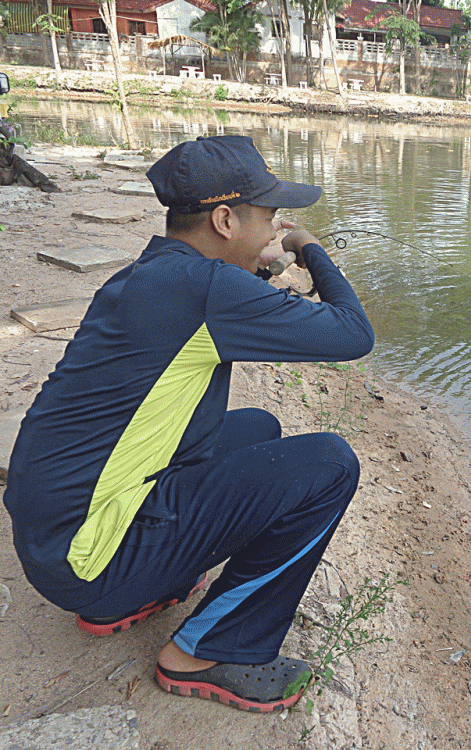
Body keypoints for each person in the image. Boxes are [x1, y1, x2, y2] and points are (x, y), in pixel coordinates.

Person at [2, 135, 375, 713]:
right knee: (329, 464)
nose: (275, 231)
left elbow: (212, 308)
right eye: (271, 218)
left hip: (57, 538)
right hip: (87, 556)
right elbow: (354, 333)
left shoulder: (154, 273)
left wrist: (259, 270)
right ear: (226, 219)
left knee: (256, 427)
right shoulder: (209, 290)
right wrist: (310, 249)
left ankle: (130, 594)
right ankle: (205, 652)